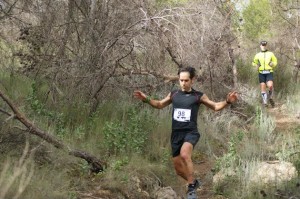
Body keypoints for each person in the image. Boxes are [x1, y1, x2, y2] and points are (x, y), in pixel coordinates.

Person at [133, 66, 238, 199]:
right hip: (176, 134)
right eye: (181, 80)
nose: (183, 83)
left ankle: (191, 189)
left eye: (186, 80)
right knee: (178, 169)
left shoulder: (198, 96)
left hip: (191, 132)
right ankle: (194, 182)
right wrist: (146, 99)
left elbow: (215, 106)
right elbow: (159, 104)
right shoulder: (174, 94)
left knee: (184, 154)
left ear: (192, 80)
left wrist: (227, 101)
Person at [252, 40, 278, 107]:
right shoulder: (257, 55)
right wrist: (256, 65)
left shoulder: (270, 54)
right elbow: (253, 62)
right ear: (260, 46)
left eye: (265, 45)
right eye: (262, 45)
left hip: (269, 71)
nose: (263, 46)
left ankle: (271, 97)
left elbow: (275, 61)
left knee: (270, 85)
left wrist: (272, 64)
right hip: (261, 72)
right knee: (263, 86)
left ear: (266, 46)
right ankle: (265, 102)